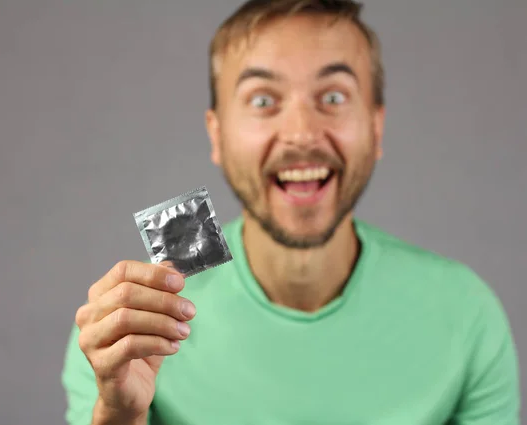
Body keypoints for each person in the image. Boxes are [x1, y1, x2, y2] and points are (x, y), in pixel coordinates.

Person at [61, 1, 520, 424]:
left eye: (334, 97)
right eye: (263, 101)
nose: (301, 134)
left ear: (376, 128)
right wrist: (117, 413)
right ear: (216, 136)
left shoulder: (465, 314)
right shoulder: (131, 323)